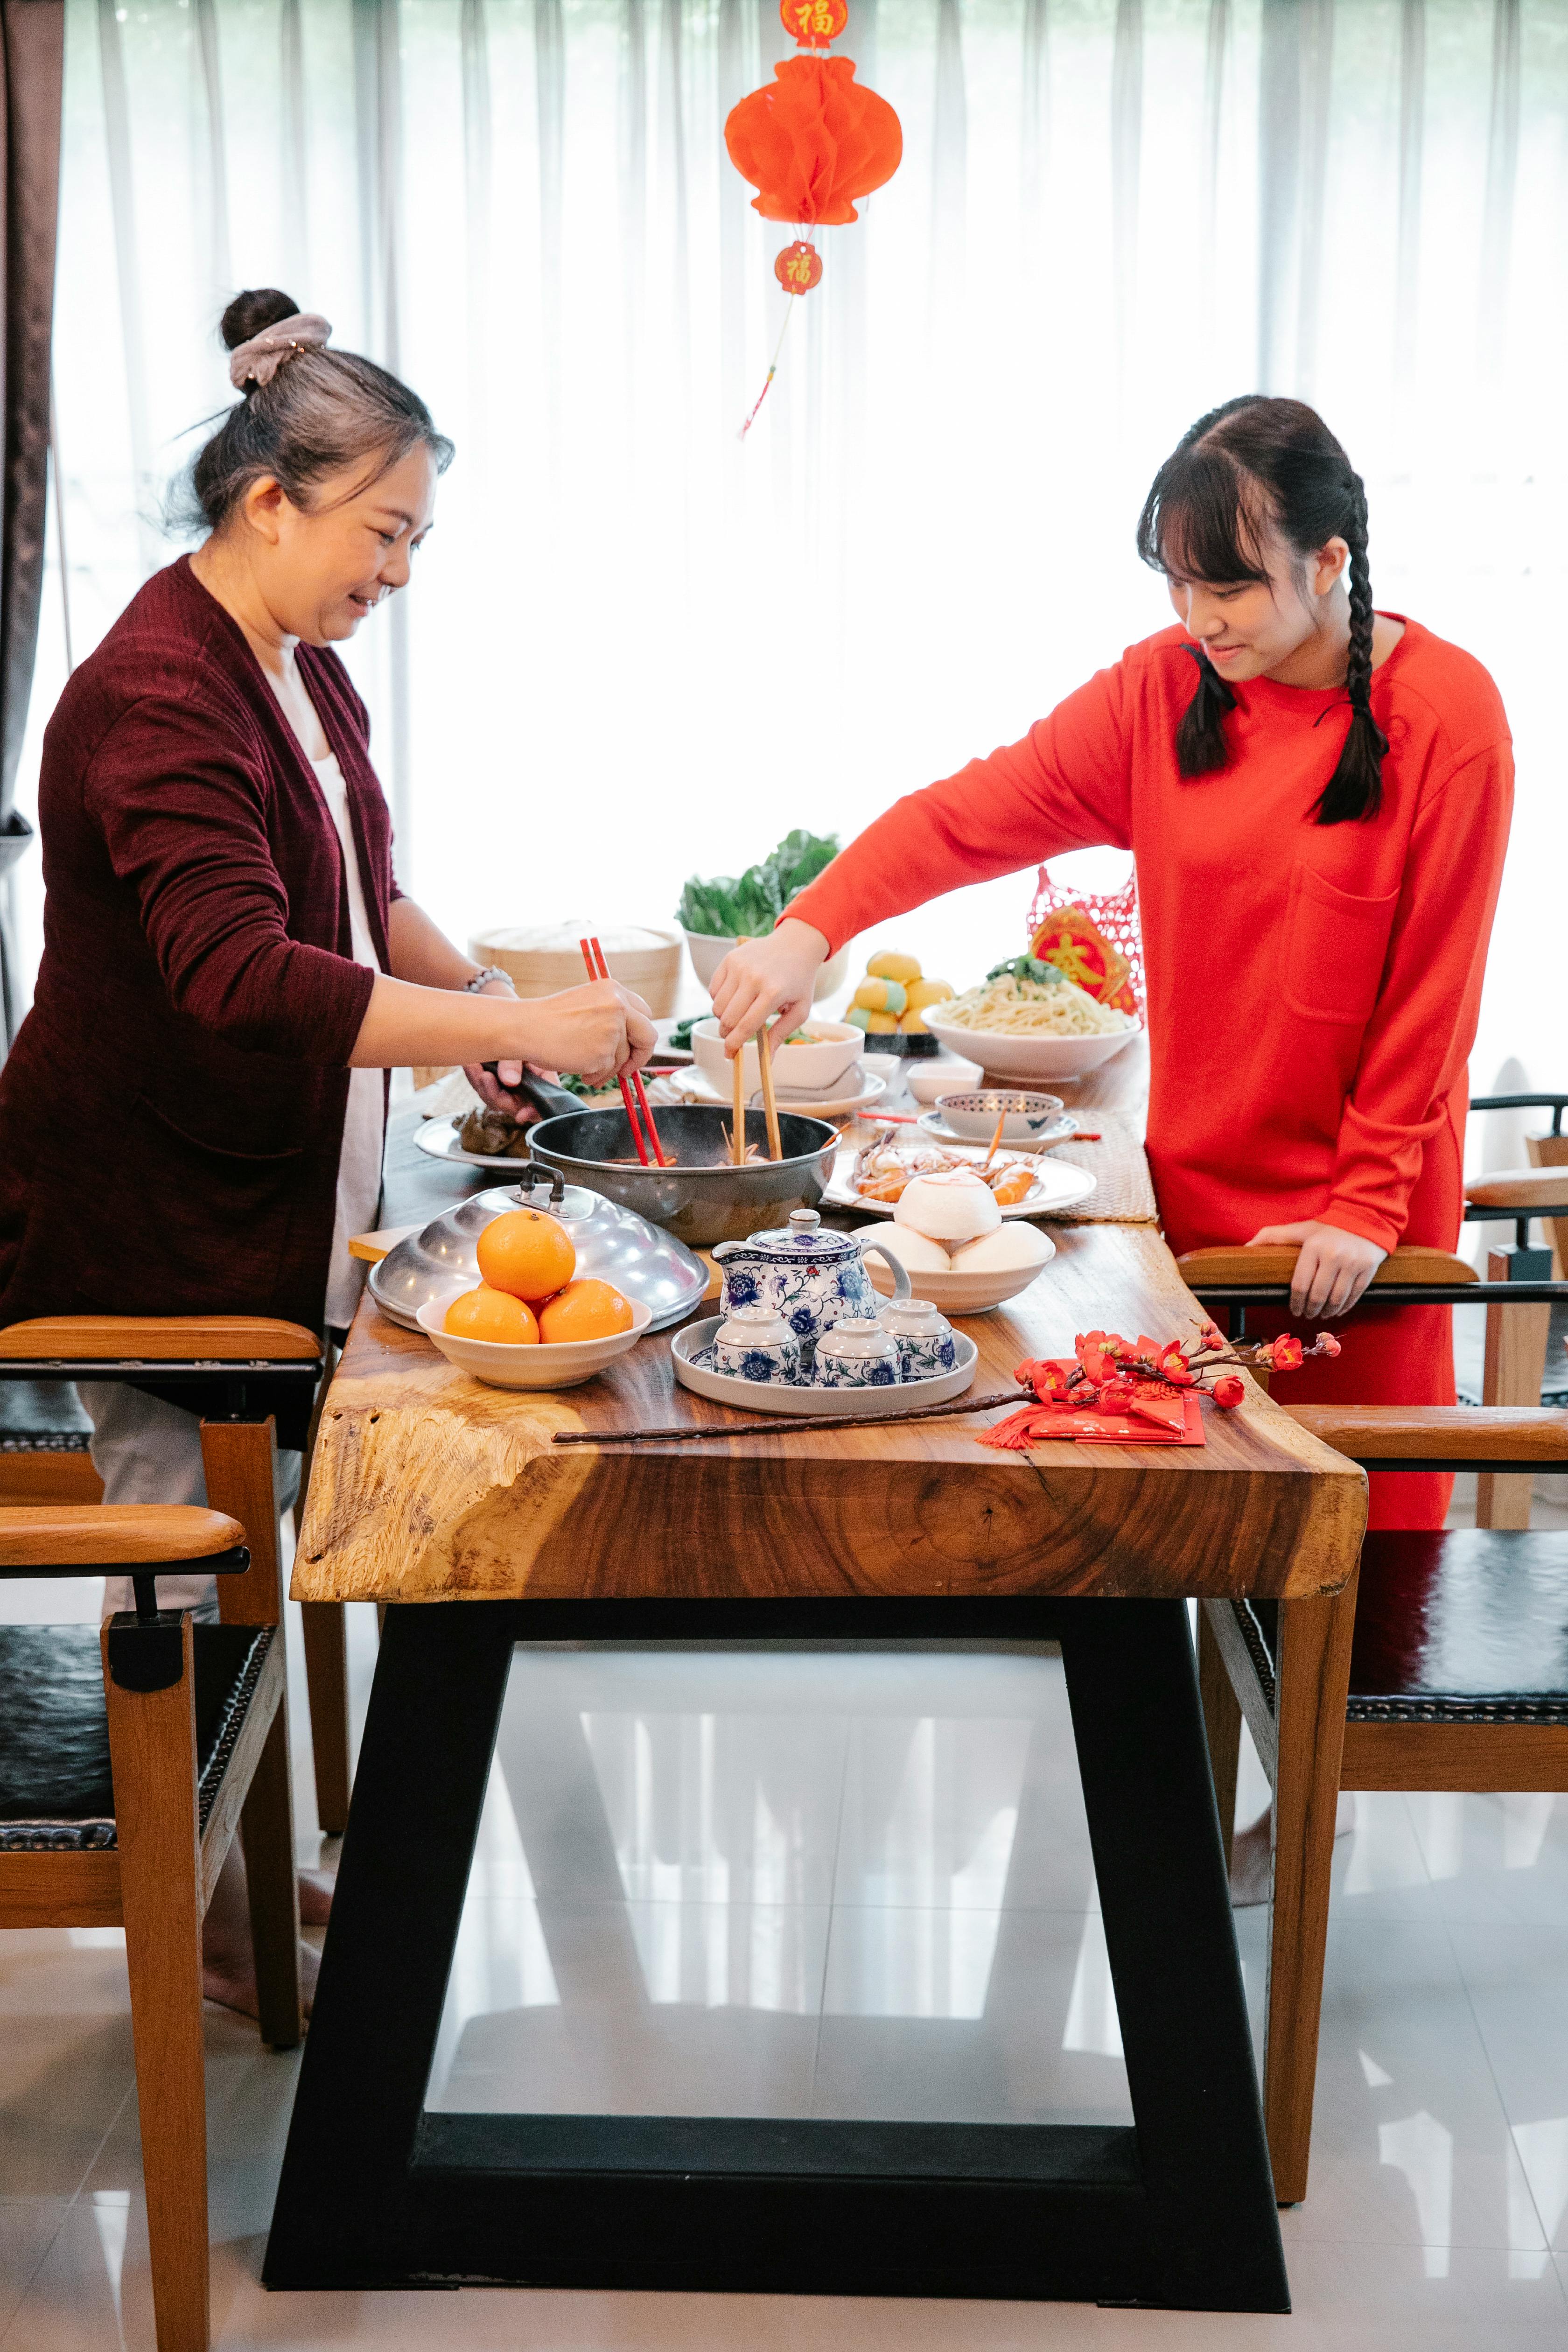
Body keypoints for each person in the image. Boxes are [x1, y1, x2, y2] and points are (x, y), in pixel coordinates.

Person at [710, 395, 1514, 1898]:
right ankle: (1174, 1826)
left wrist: (1361, 1202)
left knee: (1345, 1571)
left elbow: (1437, 984)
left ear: (1333, 562)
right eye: (1178, 584)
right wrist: (817, 923)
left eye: (1235, 585)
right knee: (1184, 1535)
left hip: (1364, 1223)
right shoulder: (1163, 694)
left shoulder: (1447, 714)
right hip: (1195, 1204)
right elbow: (972, 811)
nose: (1201, 617)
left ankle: (1307, 1811)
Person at [0, 288, 655, 2005]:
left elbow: (366, 905)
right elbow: (236, 972)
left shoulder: (289, 661)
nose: (401, 570)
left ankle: (252, 1864)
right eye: (384, 530)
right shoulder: (155, 692)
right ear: (268, 499)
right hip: (148, 1211)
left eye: (419, 536)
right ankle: (211, 1918)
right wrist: (517, 1031)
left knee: (264, 1532)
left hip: (274, 1178)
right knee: (193, 1544)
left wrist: (496, 1001)